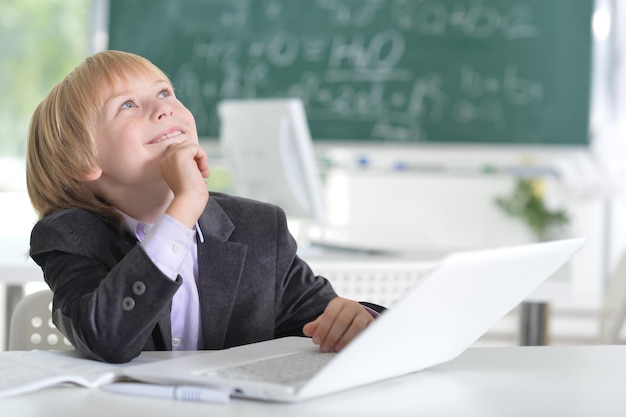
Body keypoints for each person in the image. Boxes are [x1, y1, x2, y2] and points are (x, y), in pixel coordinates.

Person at [26, 50, 379, 363]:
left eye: (164, 92)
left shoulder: (259, 227)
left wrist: (358, 319)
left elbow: (326, 319)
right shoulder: (70, 236)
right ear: (82, 161)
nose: (163, 107)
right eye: (127, 105)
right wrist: (185, 205)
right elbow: (107, 337)